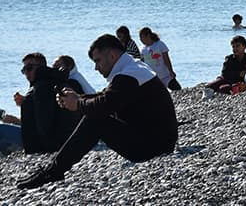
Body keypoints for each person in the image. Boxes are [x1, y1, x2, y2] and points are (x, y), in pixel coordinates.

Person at [15, 34, 177, 190]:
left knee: (95, 119)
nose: (96, 67)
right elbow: (108, 97)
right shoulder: (133, 67)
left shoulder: (128, 75)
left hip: (153, 147)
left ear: (113, 55)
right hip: (158, 140)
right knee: (95, 113)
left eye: (98, 61)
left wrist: (78, 103)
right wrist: (79, 98)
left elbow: (104, 104)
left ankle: (53, 172)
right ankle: (52, 169)